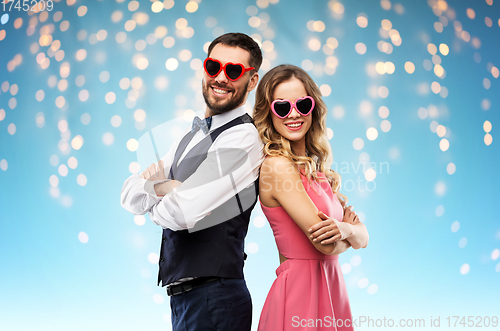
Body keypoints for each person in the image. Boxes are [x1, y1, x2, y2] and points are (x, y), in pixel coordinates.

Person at [120, 32, 263, 331]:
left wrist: (157, 203)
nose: (221, 78)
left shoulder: (242, 138)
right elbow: (128, 195)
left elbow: (182, 212)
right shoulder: (190, 135)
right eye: (214, 67)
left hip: (216, 297)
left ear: (252, 81)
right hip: (185, 300)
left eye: (234, 71)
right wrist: (165, 188)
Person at [252, 64, 369, 331]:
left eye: (302, 105)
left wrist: (344, 229)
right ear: (268, 114)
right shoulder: (276, 167)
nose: (294, 114)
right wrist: (351, 234)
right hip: (299, 296)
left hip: (331, 287)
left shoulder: (318, 171)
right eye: (282, 107)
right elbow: (326, 246)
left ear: (313, 108)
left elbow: (364, 237)